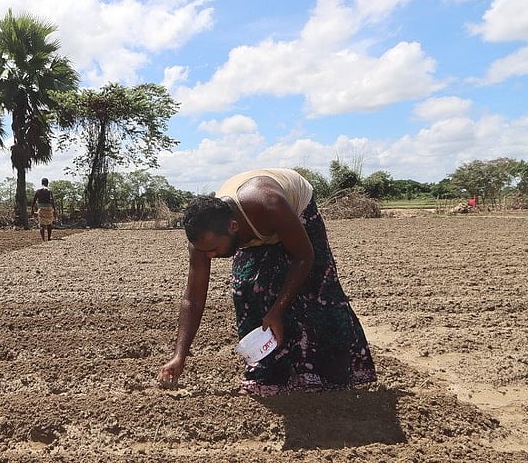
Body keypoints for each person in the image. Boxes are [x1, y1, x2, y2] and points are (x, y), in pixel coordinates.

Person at [158, 168, 376, 396]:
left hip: (294, 211)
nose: (210, 255)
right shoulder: (202, 239)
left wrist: (277, 310)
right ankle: (269, 374)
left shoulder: (268, 204)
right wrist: (179, 355)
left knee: (316, 288)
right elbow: (193, 298)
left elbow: (304, 257)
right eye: (205, 251)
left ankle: (331, 374)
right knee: (246, 290)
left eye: (214, 249)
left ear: (233, 227)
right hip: (254, 226)